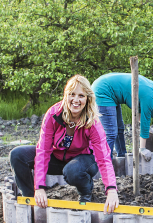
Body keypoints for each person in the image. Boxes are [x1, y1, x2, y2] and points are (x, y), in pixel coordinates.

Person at [9, 75, 120, 213]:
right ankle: (31, 198)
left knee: (72, 171)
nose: (76, 100)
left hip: (83, 160)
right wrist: (39, 188)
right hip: (57, 158)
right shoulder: (53, 115)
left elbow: (103, 157)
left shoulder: (93, 123)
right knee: (17, 155)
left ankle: (86, 192)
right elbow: (43, 150)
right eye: (72, 94)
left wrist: (111, 190)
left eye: (81, 96)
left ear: (88, 98)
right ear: (66, 95)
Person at [92, 72, 153, 161]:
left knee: (119, 129)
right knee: (110, 133)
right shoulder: (149, 96)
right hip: (103, 90)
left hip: (109, 91)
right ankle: (105, 165)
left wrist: (149, 128)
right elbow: (144, 122)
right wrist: (142, 149)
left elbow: (139, 113)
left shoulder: (152, 88)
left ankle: (122, 158)